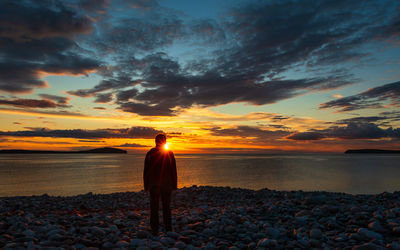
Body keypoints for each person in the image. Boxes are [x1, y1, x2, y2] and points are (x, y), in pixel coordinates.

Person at [144, 133, 177, 235]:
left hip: (154, 185)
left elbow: (146, 171)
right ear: (165, 142)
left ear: (155, 142)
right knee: (166, 206)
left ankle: (155, 228)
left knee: (154, 207)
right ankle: (168, 227)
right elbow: (173, 170)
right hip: (166, 184)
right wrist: (174, 184)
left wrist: (146, 185)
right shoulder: (169, 154)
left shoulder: (150, 153)